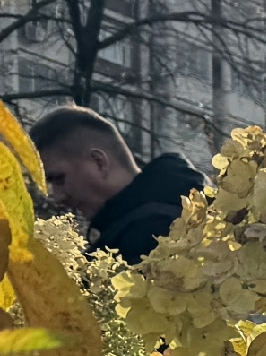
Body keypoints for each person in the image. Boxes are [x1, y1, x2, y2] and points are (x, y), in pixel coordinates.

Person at [27, 106, 201, 261]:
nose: (58, 196)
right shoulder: (186, 209)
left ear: (99, 161)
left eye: (58, 178)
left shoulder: (148, 234)